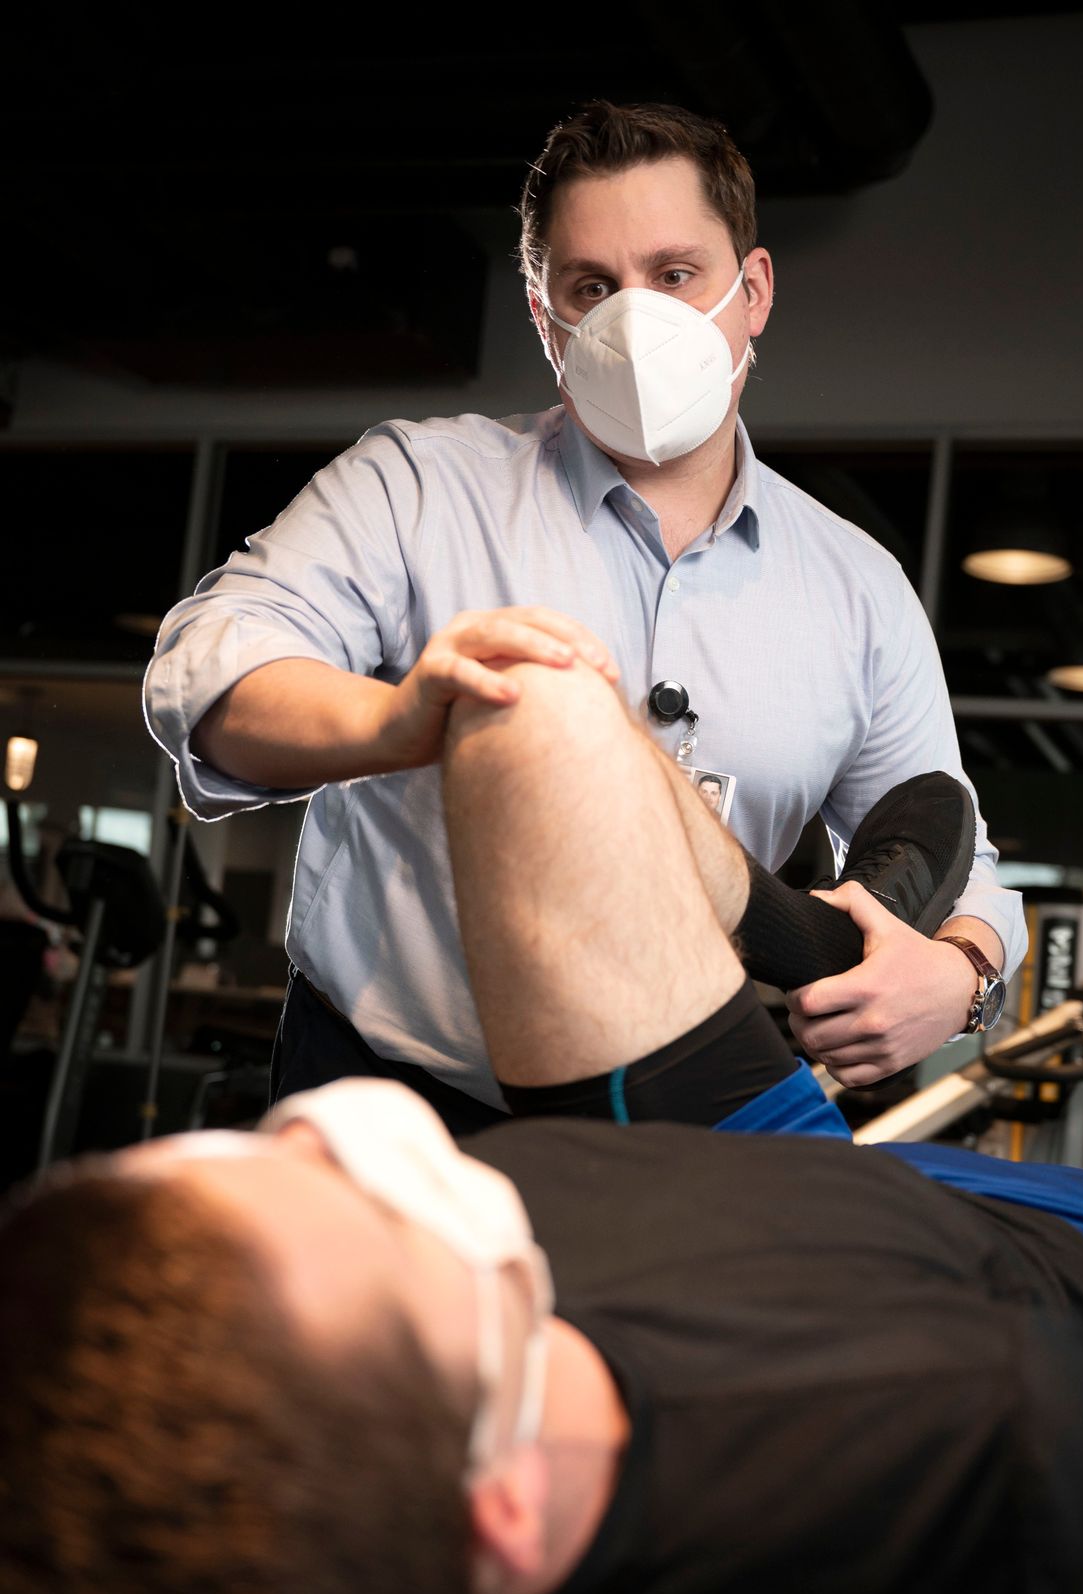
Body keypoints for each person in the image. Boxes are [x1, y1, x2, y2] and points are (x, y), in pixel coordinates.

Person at [2, 653, 1083, 1594]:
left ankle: (829, 939)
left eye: (286, 1155)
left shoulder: (378, 1417)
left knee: (529, 702)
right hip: (1042, 1265)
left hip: (711, 1162)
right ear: (506, 1509)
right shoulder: (981, 1447)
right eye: (380, 1215)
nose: (358, 1134)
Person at [143, 98, 1025, 1131]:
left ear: (754, 294)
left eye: (675, 274)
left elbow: (958, 842)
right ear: (543, 312)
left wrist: (959, 977)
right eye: (593, 286)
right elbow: (209, 665)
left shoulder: (859, 586)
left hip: (686, 1119)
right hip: (397, 1098)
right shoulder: (420, 484)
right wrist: (400, 723)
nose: (635, 318)